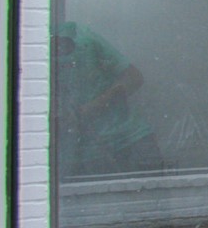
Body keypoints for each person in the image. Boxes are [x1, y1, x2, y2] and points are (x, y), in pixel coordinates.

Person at [51, 21, 164, 176]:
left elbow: (134, 77)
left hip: (130, 141)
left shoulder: (82, 39)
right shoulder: (32, 47)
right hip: (85, 153)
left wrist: (86, 110)